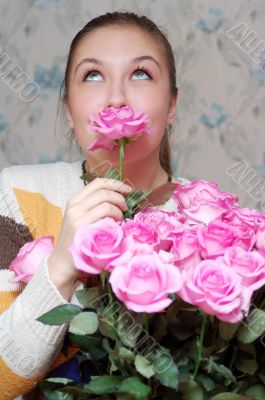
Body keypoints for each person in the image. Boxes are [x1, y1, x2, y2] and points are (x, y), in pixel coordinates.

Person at [0, 11, 188, 399]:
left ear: (171, 105)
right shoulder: (16, 194)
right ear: (68, 109)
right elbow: (3, 380)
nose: (116, 98)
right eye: (92, 75)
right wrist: (61, 264)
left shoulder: (212, 220)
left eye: (140, 74)